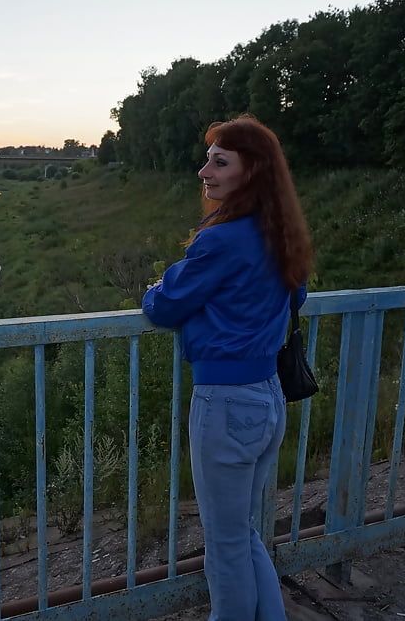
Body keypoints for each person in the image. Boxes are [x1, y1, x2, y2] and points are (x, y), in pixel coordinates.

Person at [142, 115, 313, 620]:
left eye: (219, 162)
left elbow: (164, 306)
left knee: (224, 542)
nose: (204, 172)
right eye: (207, 160)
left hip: (225, 404)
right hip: (267, 399)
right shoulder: (279, 232)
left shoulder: (222, 240)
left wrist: (156, 287)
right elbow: (296, 293)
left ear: (251, 171)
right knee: (242, 532)